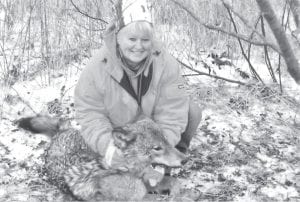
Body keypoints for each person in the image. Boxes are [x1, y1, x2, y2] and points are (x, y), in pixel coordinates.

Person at [74, 16, 202, 184]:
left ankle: (171, 159)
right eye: (132, 39)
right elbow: (90, 114)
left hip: (154, 133)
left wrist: (161, 146)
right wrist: (109, 147)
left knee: (192, 111)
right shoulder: (96, 68)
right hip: (121, 135)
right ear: (118, 38)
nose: (139, 46)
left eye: (145, 40)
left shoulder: (166, 63)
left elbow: (173, 110)